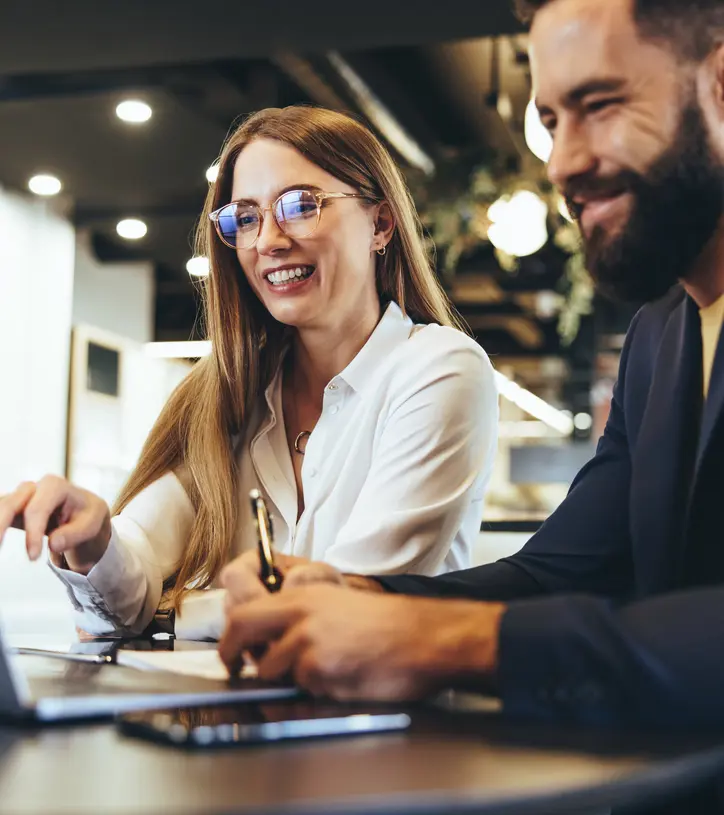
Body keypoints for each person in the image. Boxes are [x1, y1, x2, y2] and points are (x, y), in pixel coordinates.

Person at [218, 0, 724, 732]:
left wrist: (458, 642)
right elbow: (563, 570)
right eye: (552, 121)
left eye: (601, 104)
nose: (564, 163)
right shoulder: (661, 337)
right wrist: (355, 593)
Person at [0, 106, 498, 640]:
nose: (267, 241)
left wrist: (172, 614)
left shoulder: (441, 369)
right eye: (246, 217)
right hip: (247, 720)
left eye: (301, 205)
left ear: (379, 223)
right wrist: (97, 541)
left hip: (398, 721)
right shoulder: (230, 393)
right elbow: (132, 576)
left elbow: (348, 606)